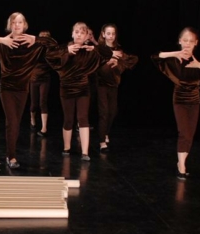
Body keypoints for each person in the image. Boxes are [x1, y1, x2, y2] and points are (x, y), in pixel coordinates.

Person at [0, 12, 55, 169]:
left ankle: (10, 153)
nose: (17, 25)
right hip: (7, 88)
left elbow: (53, 44)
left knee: (15, 122)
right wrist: (0, 40)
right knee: (12, 122)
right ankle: (11, 156)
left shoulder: (33, 44)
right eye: (14, 22)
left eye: (20, 22)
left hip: (23, 89)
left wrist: (36, 39)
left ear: (25, 25)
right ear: (10, 25)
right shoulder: (3, 44)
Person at [151, 26, 200, 180]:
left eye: (191, 41)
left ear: (196, 43)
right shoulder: (173, 60)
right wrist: (175, 53)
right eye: (185, 40)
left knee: (190, 135)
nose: (188, 44)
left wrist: (198, 65)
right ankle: (182, 166)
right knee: (184, 132)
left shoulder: (199, 60)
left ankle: (181, 162)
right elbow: (155, 57)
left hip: (194, 100)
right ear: (180, 41)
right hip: (179, 99)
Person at [45, 22, 117, 161]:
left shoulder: (89, 51)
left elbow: (108, 53)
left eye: (82, 33)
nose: (79, 35)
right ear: (72, 34)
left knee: (83, 118)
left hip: (83, 88)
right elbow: (49, 56)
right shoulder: (64, 48)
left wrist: (94, 47)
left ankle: (85, 152)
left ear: (86, 36)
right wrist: (67, 51)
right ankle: (66, 147)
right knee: (68, 119)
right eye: (77, 32)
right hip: (66, 88)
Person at [96, 23, 139, 152]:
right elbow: (96, 66)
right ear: (103, 34)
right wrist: (108, 60)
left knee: (113, 111)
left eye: (113, 34)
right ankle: (102, 141)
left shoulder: (118, 49)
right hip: (101, 84)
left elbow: (132, 60)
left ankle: (106, 132)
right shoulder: (99, 49)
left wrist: (118, 62)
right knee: (104, 113)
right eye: (108, 33)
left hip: (113, 84)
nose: (111, 36)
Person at [29, 30, 57, 137]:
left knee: (43, 102)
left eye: (46, 37)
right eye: (42, 37)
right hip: (33, 79)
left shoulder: (50, 51)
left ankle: (44, 128)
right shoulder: (34, 49)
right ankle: (32, 119)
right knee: (34, 104)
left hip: (45, 79)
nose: (44, 39)